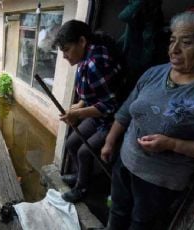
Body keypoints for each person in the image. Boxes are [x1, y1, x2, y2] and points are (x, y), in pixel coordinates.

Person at [100, 3, 194, 229]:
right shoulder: (154, 72)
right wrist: (110, 142)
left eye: (187, 42)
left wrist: (173, 144)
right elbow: (126, 111)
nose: (174, 49)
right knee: (117, 210)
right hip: (125, 162)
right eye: (172, 39)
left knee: (141, 224)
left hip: (159, 182)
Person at [53, 20, 122, 203]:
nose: (65, 56)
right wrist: (80, 104)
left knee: (85, 151)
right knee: (72, 143)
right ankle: (80, 176)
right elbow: (94, 91)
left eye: (67, 50)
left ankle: (82, 188)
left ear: (82, 41)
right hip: (97, 114)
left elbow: (110, 106)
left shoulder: (95, 62)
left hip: (111, 120)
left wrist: (77, 114)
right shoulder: (85, 58)